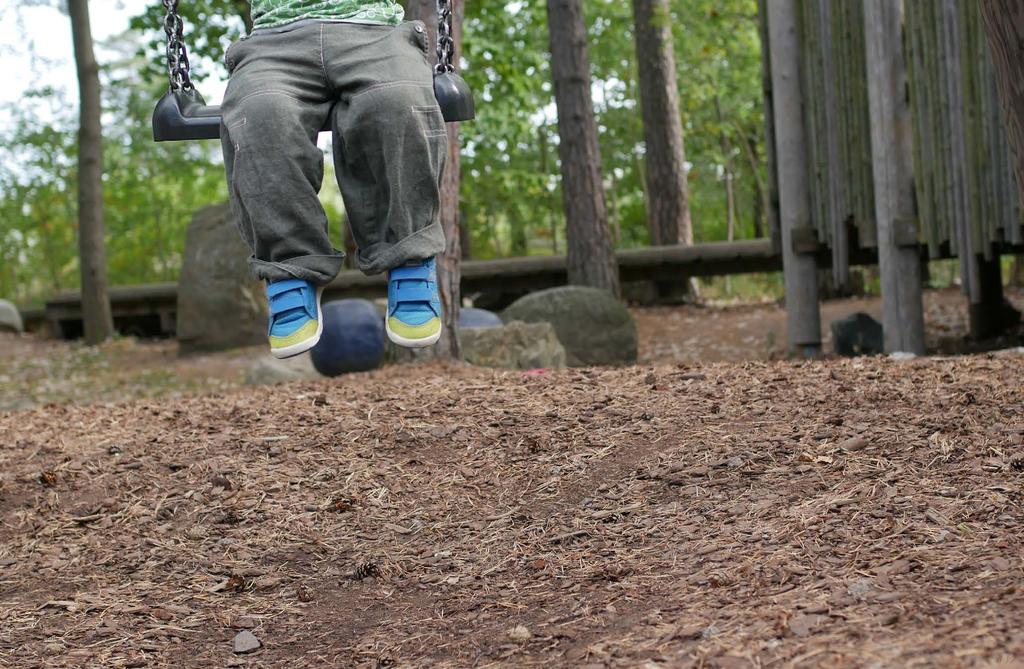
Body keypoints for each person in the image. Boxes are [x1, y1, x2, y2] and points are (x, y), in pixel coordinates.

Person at [220, 0, 447, 358]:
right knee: (261, 114)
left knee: (396, 102)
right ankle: (289, 269)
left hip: (376, 33)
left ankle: (409, 256)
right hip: (274, 42)